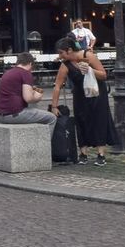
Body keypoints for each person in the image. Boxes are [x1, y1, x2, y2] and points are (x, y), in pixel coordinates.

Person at [49, 37, 116, 166]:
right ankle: (83, 153)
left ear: (69, 50)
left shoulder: (88, 55)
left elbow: (103, 75)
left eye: (61, 52)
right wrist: (54, 106)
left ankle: (101, 154)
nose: (60, 56)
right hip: (80, 95)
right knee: (81, 121)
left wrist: (90, 70)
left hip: (97, 93)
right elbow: (57, 85)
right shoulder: (65, 65)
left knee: (99, 120)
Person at [0, 53, 56, 126]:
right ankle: (48, 137)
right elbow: (28, 99)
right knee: (51, 118)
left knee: (33, 109)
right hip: (14, 114)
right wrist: (38, 97)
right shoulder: (25, 73)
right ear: (30, 63)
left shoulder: (8, 72)